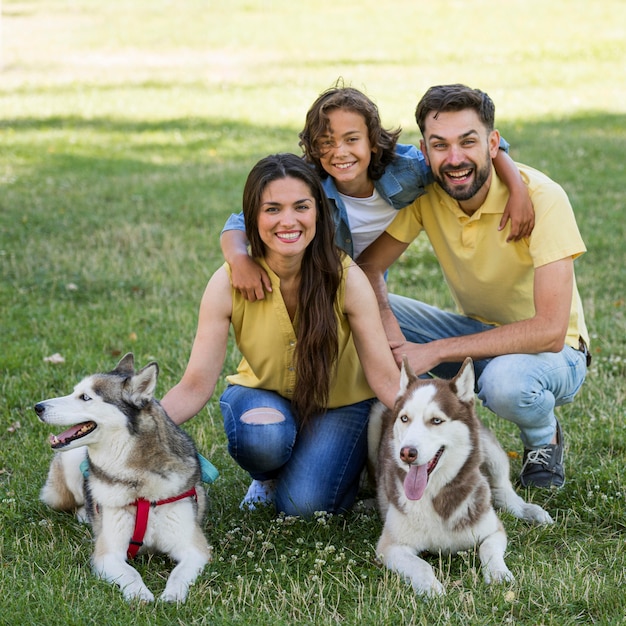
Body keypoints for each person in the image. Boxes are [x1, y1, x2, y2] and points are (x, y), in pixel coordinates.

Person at [357, 84, 590, 489]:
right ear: (424, 151)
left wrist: (435, 350)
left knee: (505, 384)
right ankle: (379, 445)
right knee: (358, 311)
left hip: (555, 353)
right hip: (477, 333)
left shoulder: (543, 198)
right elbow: (369, 268)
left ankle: (543, 438)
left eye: (468, 142)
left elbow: (551, 331)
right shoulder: (426, 195)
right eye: (440, 145)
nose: (455, 158)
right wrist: (392, 332)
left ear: (493, 143)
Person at [161, 153, 401, 518]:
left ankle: (331, 462)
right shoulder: (228, 281)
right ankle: (267, 475)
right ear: (252, 218)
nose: (288, 221)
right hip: (263, 395)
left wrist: (436, 421)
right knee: (265, 439)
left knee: (304, 507)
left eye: (301, 207)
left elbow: (385, 378)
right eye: (272, 209)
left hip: (339, 403)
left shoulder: (346, 278)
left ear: (318, 213)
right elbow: (194, 386)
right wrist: (131, 428)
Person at [220, 84, 535, 302]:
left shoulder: (409, 170)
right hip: (308, 283)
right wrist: (239, 260)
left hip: (365, 284)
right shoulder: (307, 186)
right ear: (314, 147)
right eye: (326, 142)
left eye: (351, 139)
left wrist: (517, 190)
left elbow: (485, 145)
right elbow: (238, 223)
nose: (339, 152)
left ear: (372, 140)